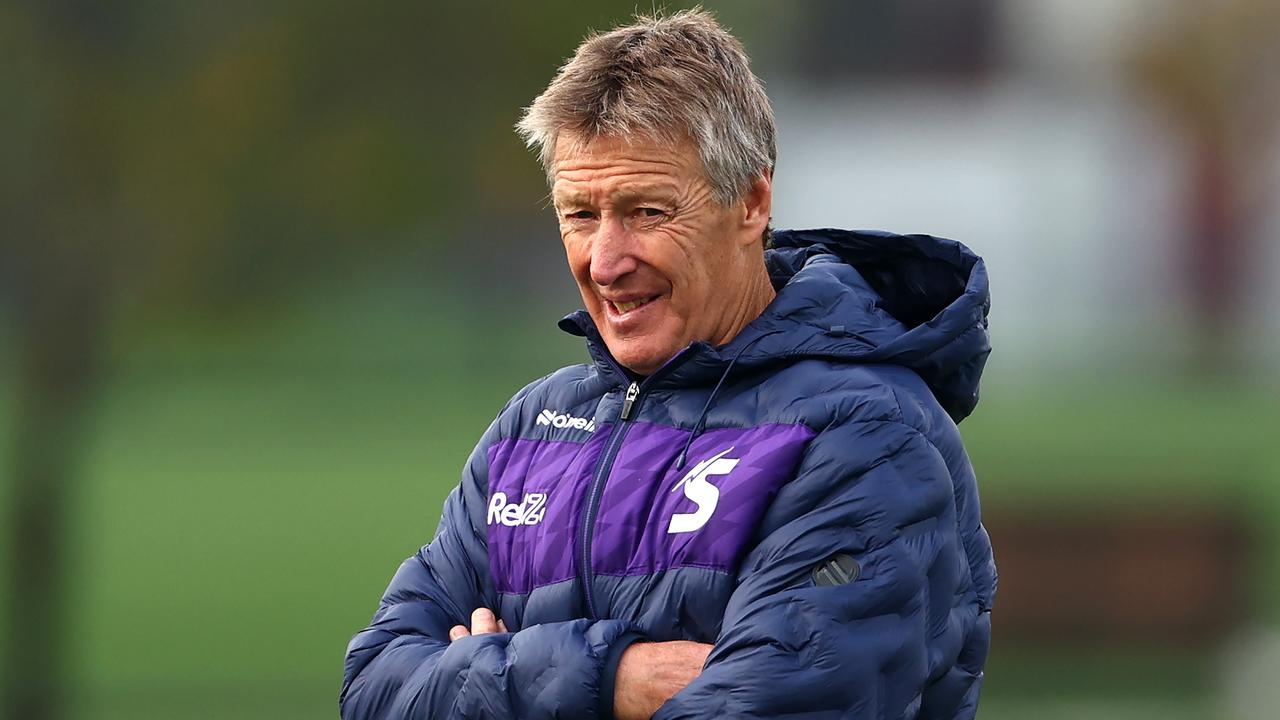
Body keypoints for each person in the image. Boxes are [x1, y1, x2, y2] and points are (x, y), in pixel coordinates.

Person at [341, 9, 995, 720]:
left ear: (750, 201)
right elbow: (375, 688)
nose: (606, 260)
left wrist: (479, 677)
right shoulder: (532, 432)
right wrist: (614, 678)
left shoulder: (864, 438)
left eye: (647, 211)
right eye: (579, 214)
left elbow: (769, 706)